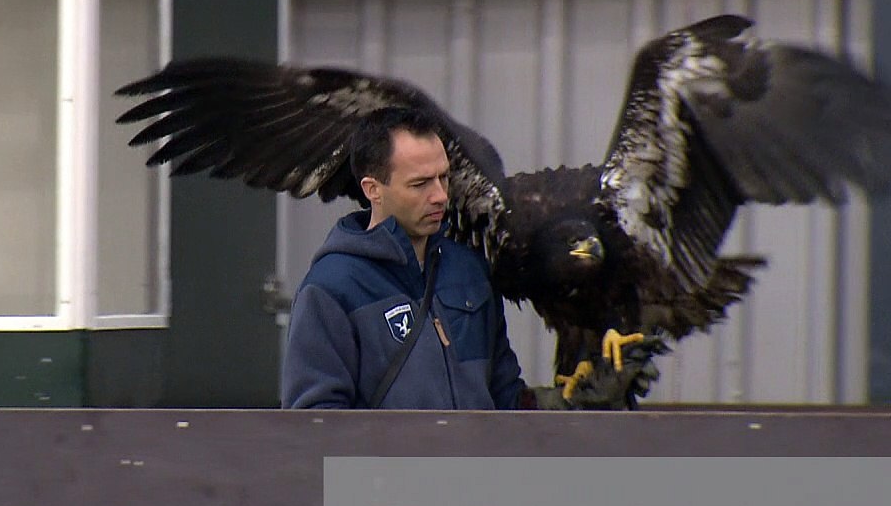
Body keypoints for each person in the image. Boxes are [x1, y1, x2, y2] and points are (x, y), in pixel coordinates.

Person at [279, 107, 654, 410]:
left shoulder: (468, 271)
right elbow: (317, 433)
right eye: (420, 183)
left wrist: (568, 404)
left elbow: (503, 399)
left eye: (444, 178)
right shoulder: (332, 288)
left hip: (474, 494)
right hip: (389, 501)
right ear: (372, 190)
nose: (441, 195)